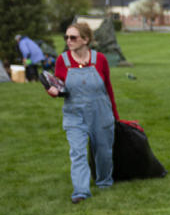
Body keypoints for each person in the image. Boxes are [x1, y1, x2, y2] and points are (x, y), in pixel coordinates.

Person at [46, 22, 121, 203]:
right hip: (74, 113)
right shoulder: (62, 61)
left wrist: (115, 115)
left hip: (101, 111)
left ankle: (104, 182)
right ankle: (81, 191)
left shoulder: (100, 59)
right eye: (66, 37)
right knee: (77, 152)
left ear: (86, 40)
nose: (68, 41)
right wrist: (54, 92)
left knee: (103, 151)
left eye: (73, 37)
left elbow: (108, 87)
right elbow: (60, 85)